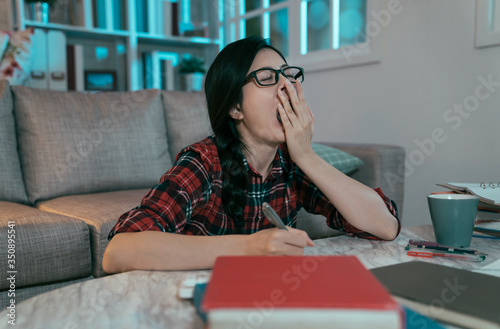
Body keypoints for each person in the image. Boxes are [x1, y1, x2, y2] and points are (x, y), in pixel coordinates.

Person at [102, 36, 400, 273]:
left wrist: (307, 156)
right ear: (235, 108)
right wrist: (250, 247)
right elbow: (118, 252)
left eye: (288, 76)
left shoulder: (291, 163)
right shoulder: (205, 161)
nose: (287, 86)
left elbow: (384, 226)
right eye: (267, 77)